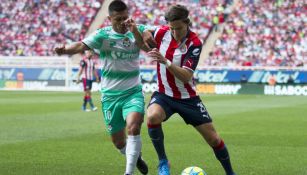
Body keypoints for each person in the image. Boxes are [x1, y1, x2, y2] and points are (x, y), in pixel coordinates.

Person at [55, 1, 149, 174]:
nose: (123, 23)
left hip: (132, 92)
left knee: (134, 127)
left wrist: (141, 32)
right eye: (118, 19)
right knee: (119, 143)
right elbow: (80, 45)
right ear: (109, 19)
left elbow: (149, 41)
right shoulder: (103, 36)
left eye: (125, 18)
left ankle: (128, 172)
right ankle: (136, 157)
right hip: (110, 96)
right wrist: (65, 50)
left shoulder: (137, 30)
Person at [141, 5, 236, 175]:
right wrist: (140, 30)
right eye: (172, 28)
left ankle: (230, 173)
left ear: (187, 23)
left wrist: (165, 62)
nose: (175, 32)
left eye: (179, 28)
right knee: (153, 115)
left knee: (214, 139)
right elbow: (143, 32)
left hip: (188, 98)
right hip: (164, 95)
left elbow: (185, 76)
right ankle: (163, 161)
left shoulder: (195, 43)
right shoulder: (162, 32)